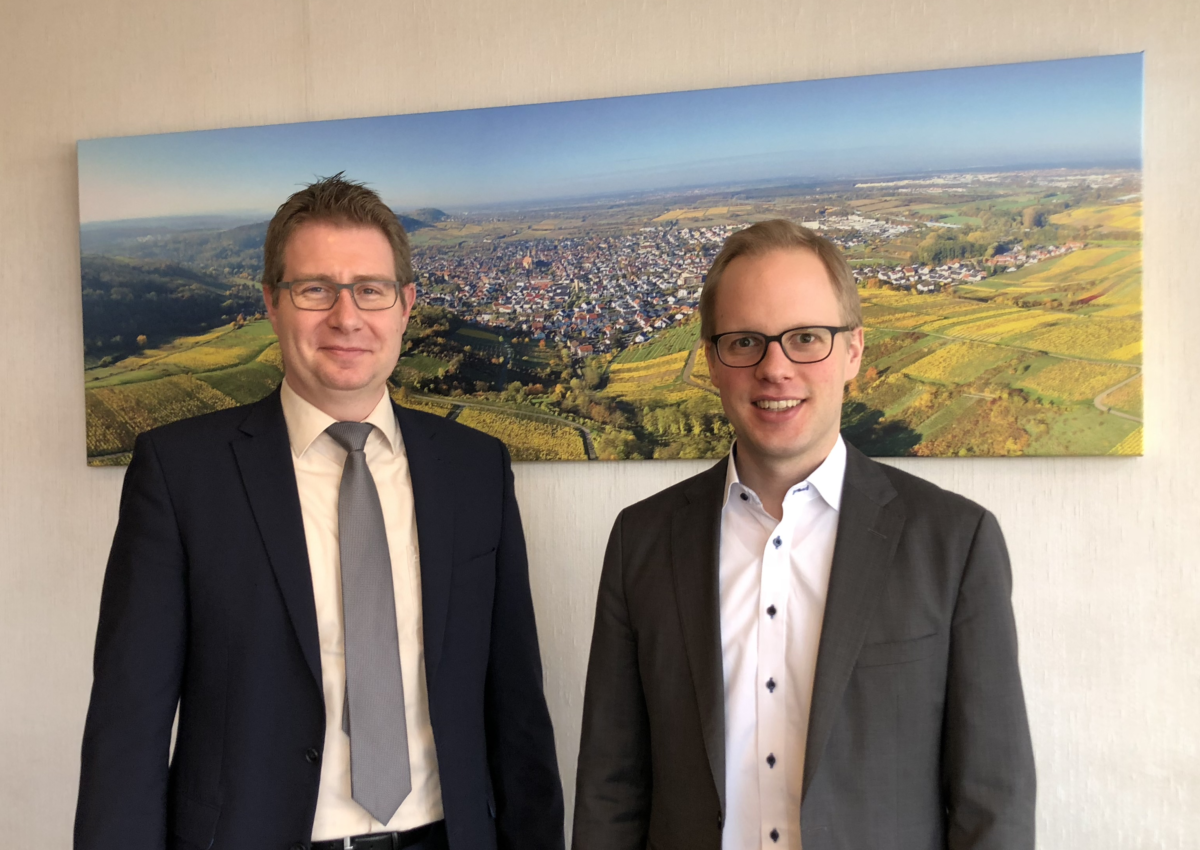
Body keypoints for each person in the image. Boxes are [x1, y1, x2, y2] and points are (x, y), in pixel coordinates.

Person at [75, 175, 564, 850]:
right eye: (315, 290)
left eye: (371, 288)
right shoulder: (181, 474)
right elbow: (128, 728)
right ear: (272, 304)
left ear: (405, 305)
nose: (346, 316)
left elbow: (517, 712)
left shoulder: (475, 469)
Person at [572, 219, 1035, 850]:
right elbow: (610, 788)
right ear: (710, 360)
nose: (775, 369)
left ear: (853, 352)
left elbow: (993, 802)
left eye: (807, 338)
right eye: (744, 342)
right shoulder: (641, 542)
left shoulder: (955, 543)